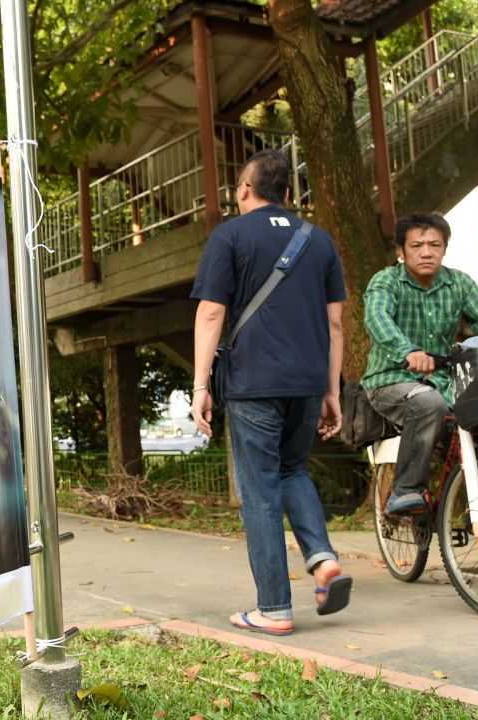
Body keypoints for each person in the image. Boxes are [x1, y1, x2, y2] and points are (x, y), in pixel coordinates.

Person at [190, 149, 351, 636]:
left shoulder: (230, 236)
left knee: (259, 489)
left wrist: (200, 385)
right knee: (291, 469)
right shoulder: (317, 241)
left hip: (253, 383)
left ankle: (274, 609)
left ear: (245, 188)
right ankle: (322, 559)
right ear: (286, 192)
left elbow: (212, 314)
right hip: (306, 383)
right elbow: (336, 323)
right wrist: (332, 391)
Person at [362, 212, 478, 514]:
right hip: (390, 380)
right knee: (428, 403)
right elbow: (377, 319)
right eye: (417, 245)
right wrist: (407, 352)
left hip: (446, 381)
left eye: (435, 244)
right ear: (401, 251)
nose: (427, 252)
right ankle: (405, 491)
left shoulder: (458, 283)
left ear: (445, 248)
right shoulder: (386, 281)